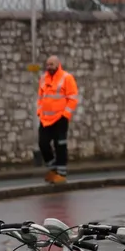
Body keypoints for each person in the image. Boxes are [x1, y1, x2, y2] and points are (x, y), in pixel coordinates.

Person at [38, 55, 79, 184]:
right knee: (43, 144)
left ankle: (61, 174)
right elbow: (41, 97)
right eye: (47, 64)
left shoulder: (67, 78)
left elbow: (73, 98)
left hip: (60, 118)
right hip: (45, 119)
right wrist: (39, 112)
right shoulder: (43, 78)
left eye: (51, 64)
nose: (49, 67)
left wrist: (65, 115)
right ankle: (53, 169)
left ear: (57, 65)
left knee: (60, 145)